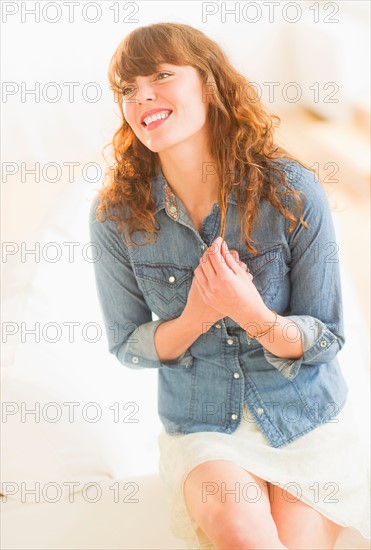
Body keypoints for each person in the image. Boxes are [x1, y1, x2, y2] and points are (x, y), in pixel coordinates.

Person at [89, 22, 370, 550]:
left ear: (210, 82)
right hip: (204, 426)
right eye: (128, 88)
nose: (142, 94)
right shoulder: (116, 217)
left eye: (161, 76)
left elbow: (327, 337)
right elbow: (128, 345)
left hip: (303, 415)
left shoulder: (290, 190)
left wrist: (249, 313)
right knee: (244, 535)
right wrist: (196, 315)